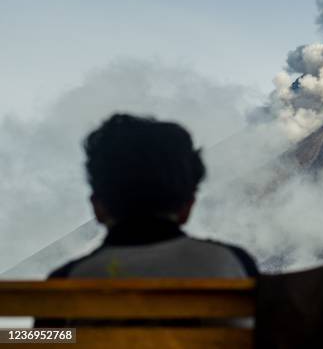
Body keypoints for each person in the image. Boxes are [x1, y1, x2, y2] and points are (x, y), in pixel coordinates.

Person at [48, 113, 257, 279]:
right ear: (187, 207)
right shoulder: (232, 264)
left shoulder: (66, 281)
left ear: (97, 207)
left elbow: (43, 336)